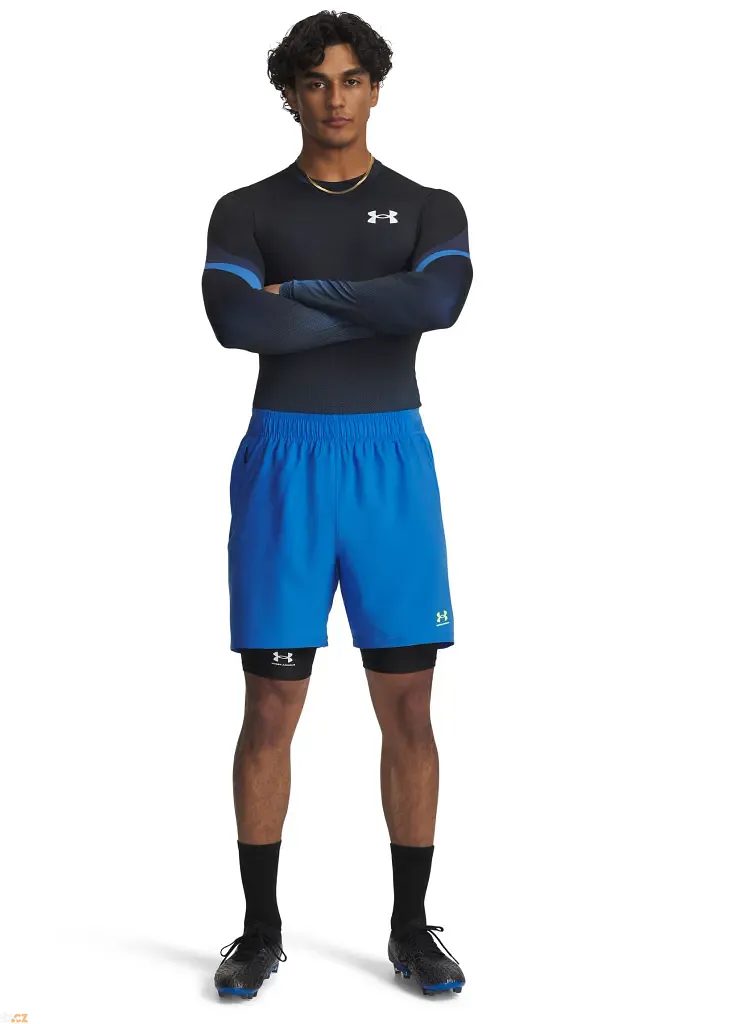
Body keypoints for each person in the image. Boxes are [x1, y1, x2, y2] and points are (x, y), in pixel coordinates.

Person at [202, 11, 472, 999]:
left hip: (390, 463)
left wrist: (303, 294)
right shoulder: (245, 210)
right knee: (271, 704)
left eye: (352, 79)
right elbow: (236, 319)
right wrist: (372, 302)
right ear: (289, 93)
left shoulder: (429, 207)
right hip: (286, 462)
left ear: (375, 88)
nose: (334, 98)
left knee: (409, 706)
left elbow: (435, 304)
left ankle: (410, 928)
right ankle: (258, 929)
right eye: (315, 81)